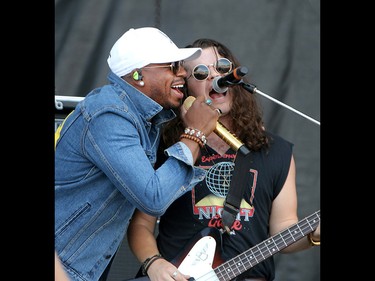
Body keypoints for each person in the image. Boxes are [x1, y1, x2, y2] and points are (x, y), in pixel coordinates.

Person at [127, 38, 321, 281]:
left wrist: (314, 235)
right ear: (185, 89)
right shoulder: (166, 148)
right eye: (200, 73)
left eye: (221, 67)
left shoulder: (276, 151)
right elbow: (141, 225)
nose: (214, 77)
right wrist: (154, 265)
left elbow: (283, 230)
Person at [55, 28, 222, 281]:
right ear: (138, 74)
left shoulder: (145, 120)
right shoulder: (109, 114)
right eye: (172, 65)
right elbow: (152, 197)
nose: (183, 73)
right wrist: (195, 134)